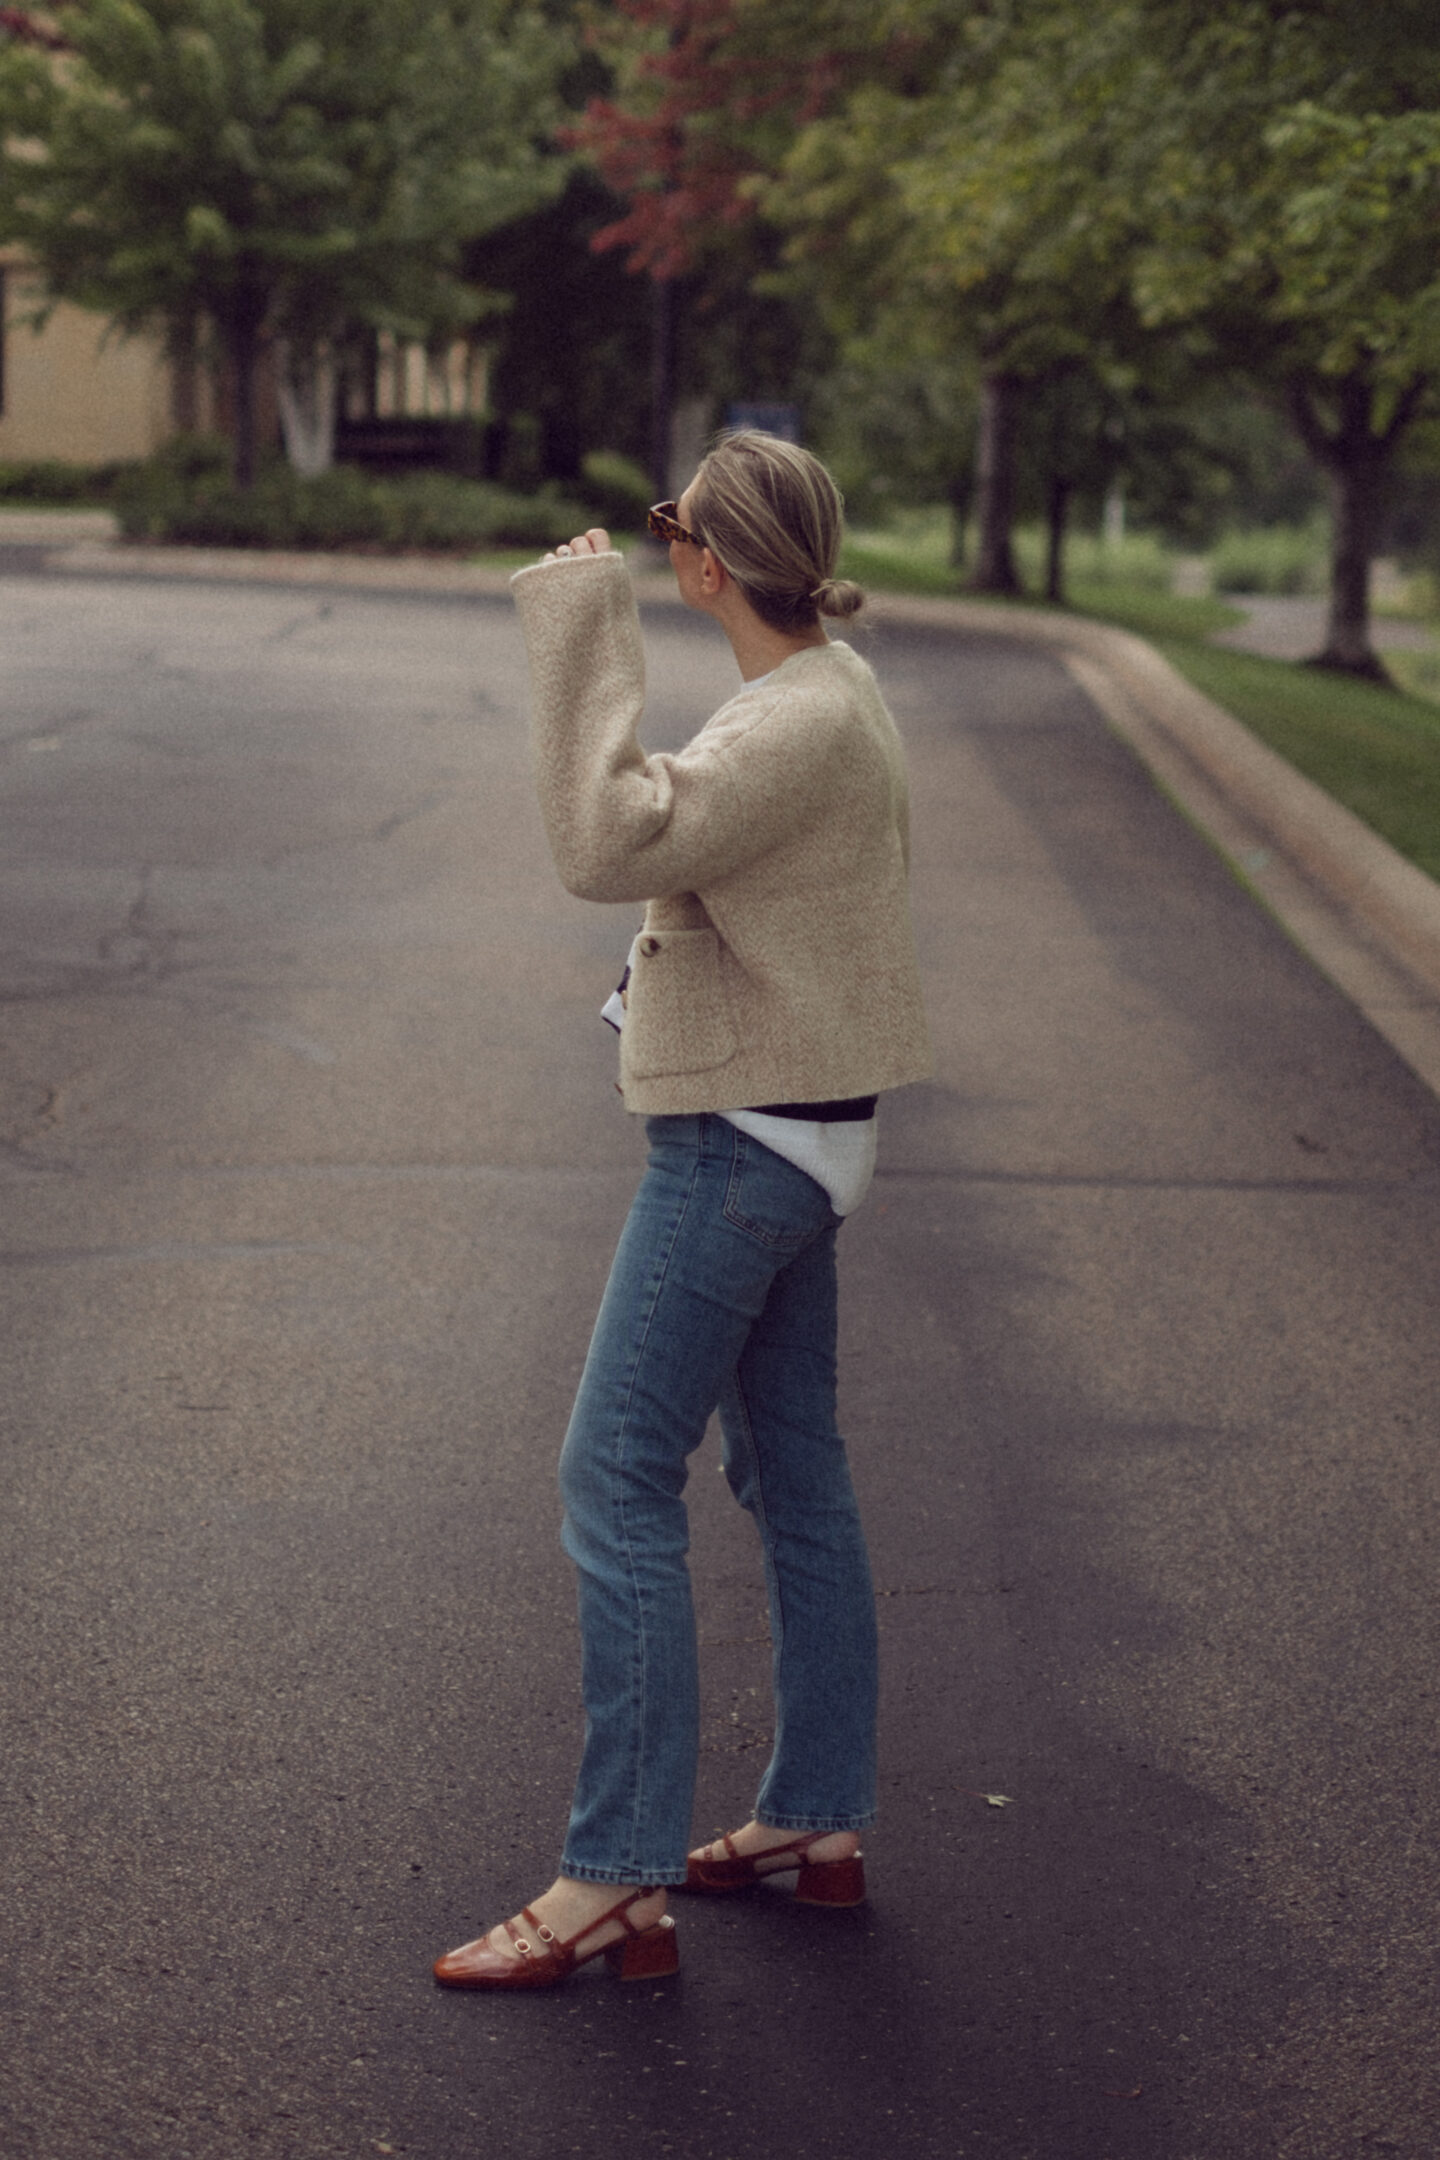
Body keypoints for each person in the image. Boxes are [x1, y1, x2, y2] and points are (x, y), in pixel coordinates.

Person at [433, 430, 931, 1992]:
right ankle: (815, 1824)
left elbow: (609, 840)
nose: (663, 551)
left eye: (671, 534)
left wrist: (582, 622)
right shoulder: (827, 693)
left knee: (614, 1479)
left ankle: (613, 1880)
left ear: (709, 561)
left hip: (742, 1152)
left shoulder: (793, 719)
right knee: (795, 1476)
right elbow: (685, 831)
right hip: (801, 1131)